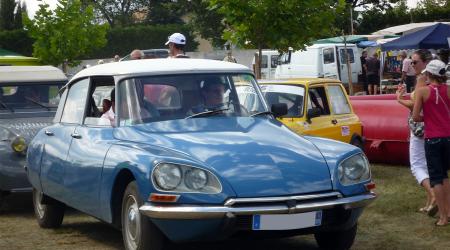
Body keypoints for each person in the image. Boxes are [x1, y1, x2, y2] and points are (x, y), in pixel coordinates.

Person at [396, 49, 435, 216]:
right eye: (411, 62)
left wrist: (399, 99)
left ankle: (433, 196)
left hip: (419, 127)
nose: (412, 65)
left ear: (425, 62)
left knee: (417, 166)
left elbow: (416, 106)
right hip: (432, 126)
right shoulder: (435, 78)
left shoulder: (422, 79)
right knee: (426, 165)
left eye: (414, 62)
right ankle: (430, 201)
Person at [412, 59, 450, 227]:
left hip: (432, 138)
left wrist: (428, 118)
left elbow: (415, 117)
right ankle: (449, 211)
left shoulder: (422, 91)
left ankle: (443, 217)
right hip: (448, 136)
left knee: (437, 178)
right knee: (446, 176)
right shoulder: (449, 90)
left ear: (429, 74)